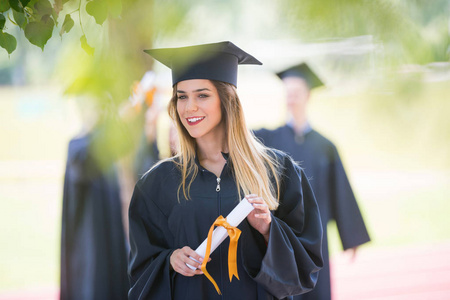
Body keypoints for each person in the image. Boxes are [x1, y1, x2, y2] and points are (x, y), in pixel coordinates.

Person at [127, 41, 324, 300]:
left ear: (226, 99)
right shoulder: (157, 183)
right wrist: (170, 260)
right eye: (182, 96)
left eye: (202, 95)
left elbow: (306, 266)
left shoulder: (278, 171)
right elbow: (141, 270)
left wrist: (268, 229)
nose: (189, 107)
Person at [255, 63, 371, 300]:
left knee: (316, 290)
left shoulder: (325, 146)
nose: (292, 98)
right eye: (288, 93)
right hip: (281, 233)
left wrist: (351, 235)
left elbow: (340, 191)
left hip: (315, 236)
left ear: (308, 95)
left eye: (296, 92)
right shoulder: (268, 140)